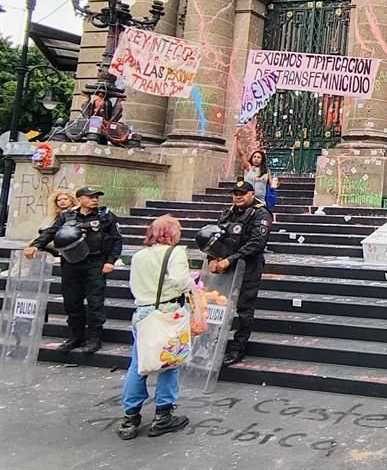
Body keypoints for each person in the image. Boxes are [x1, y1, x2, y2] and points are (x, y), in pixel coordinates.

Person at [117, 215, 194, 440]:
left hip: (142, 313)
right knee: (170, 362)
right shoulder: (176, 252)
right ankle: (163, 415)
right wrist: (192, 284)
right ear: (172, 233)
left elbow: (133, 284)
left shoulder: (139, 255)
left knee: (138, 365)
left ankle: (130, 417)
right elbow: (181, 281)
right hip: (167, 313)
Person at [24, 186, 122, 354]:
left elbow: (117, 240)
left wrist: (111, 261)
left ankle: (94, 339)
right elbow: (51, 232)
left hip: (96, 263)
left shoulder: (105, 217)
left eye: (96, 197)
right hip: (71, 263)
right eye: (90, 196)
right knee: (71, 301)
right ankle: (76, 336)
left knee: (95, 302)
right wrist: (35, 245)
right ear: (79, 199)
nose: (95, 199)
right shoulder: (66, 217)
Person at [212, 180, 272, 366]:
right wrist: (211, 258)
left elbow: (256, 243)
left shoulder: (260, 214)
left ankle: (237, 348)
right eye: (235, 193)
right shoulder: (227, 213)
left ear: (252, 194)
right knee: (217, 306)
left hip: (248, 267)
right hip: (224, 266)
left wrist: (230, 259)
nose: (238, 196)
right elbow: (215, 236)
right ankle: (213, 344)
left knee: (244, 309)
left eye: (242, 193)